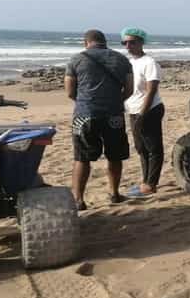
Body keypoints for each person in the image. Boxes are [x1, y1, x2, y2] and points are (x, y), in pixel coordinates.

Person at [64, 29, 133, 210]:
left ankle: (78, 200)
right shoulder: (121, 59)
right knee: (114, 155)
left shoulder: (76, 59)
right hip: (113, 115)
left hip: (85, 114)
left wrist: (86, 102)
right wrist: (115, 101)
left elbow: (70, 91)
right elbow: (129, 89)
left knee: (82, 158)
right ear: (104, 41)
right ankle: (114, 193)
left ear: (86, 42)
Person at [121, 27, 165, 197]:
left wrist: (142, 113)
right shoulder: (130, 62)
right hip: (133, 110)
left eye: (132, 42)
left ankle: (151, 184)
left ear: (141, 42)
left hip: (149, 110)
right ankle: (145, 181)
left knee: (153, 147)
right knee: (141, 148)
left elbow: (151, 89)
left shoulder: (149, 62)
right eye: (124, 42)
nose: (128, 46)